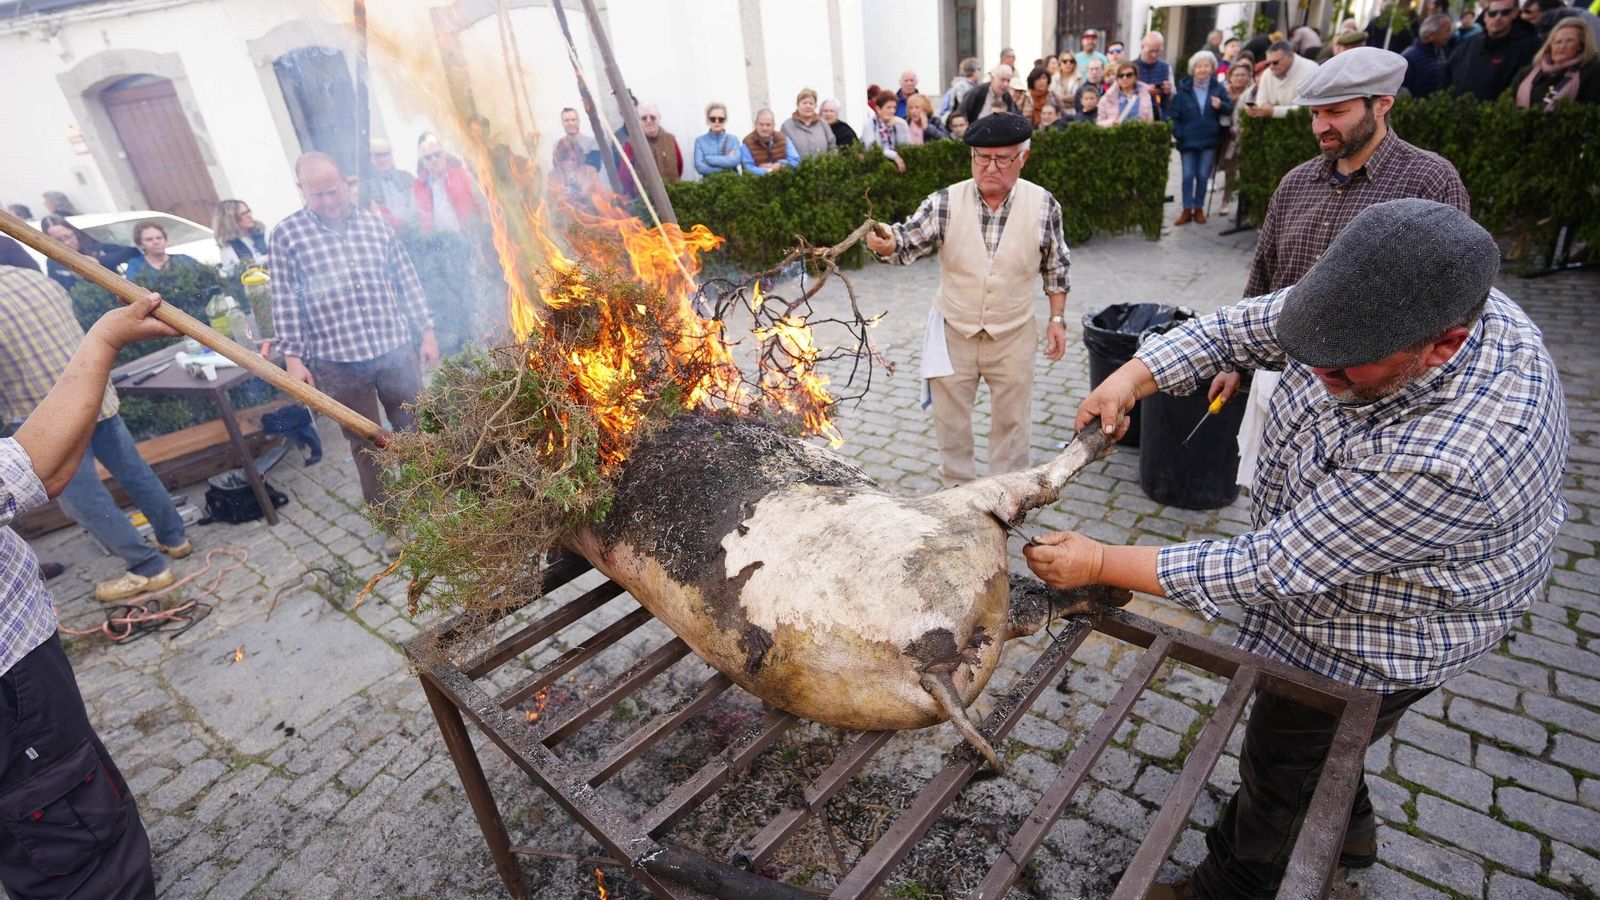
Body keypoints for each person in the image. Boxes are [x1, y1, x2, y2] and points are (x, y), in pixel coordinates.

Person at [1032, 199, 1565, 900]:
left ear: (1444, 344)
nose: (1321, 378)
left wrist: (1100, 563)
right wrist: (1133, 376)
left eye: (1347, 373)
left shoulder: (1462, 454)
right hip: (1338, 572)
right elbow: (1237, 328)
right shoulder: (1379, 295)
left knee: (1282, 763)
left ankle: (1232, 883)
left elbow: (1274, 564)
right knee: (1328, 754)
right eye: (1312, 359)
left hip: (1377, 634)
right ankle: (1352, 826)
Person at [1211, 47, 1469, 489]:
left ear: (1382, 104)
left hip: (1375, 402)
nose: (1320, 126)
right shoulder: (1295, 183)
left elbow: (1456, 301)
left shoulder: (1430, 181)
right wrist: (1235, 360)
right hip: (1286, 383)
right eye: (1315, 114)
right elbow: (1263, 277)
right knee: (1272, 507)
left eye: (1336, 112)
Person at [0, 289, 177, 900]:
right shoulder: (36, 283)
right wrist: (103, 340)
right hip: (7, 689)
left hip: (22, 664)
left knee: (74, 782)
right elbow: (38, 471)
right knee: (69, 839)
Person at [864, 113, 1071, 486]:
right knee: (951, 421)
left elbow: (1056, 267)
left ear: (1023, 157)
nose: (990, 167)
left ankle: (1006, 499)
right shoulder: (944, 202)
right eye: (981, 157)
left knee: (1012, 423)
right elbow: (908, 238)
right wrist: (888, 242)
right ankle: (956, 498)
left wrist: (1056, 321)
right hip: (953, 330)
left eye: (1002, 159)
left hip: (1014, 332)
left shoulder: (1043, 205)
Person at [0, 265, 192, 601]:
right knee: (135, 473)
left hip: (45, 419)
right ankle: (175, 539)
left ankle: (148, 567)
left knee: (84, 501)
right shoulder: (31, 278)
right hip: (95, 394)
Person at [270, 152, 437, 531]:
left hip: (395, 350)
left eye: (333, 192)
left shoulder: (375, 226)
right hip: (337, 361)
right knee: (367, 445)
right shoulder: (287, 236)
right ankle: (392, 524)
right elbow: (284, 300)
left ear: (346, 183)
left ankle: (430, 509)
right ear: (302, 191)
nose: (328, 202)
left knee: (413, 430)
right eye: (318, 196)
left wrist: (426, 332)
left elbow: (406, 280)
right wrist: (293, 359)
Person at [1168, 51, 1233, 225]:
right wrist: (1179, 133)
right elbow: (1174, 115)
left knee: (1203, 176)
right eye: (1199, 66)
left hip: (1210, 139)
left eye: (1206, 66)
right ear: (1193, 69)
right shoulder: (1183, 91)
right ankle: (1186, 209)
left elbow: (1229, 108)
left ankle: (1199, 208)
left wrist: (1221, 105)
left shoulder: (1218, 89)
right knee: (1188, 175)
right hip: (1187, 140)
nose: (1203, 69)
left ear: (1212, 68)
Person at [1449, 0, 1542, 97]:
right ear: (1485, 16)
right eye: (1492, 13)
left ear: (1515, 13)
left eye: (1505, 12)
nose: (1498, 18)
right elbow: (1448, 73)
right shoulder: (1470, 43)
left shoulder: (1528, 46)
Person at [1512, 17, 1600, 106]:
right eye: (1558, 42)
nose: (1562, 46)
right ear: (1550, 45)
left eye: (1569, 41)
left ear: (1581, 45)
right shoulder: (1526, 73)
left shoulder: (1592, 71)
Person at [412, 132, 487, 235]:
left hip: (473, 237)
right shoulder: (417, 188)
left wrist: (486, 232)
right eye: (428, 157)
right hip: (443, 245)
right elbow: (416, 221)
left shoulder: (464, 175)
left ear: (444, 154)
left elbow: (483, 204)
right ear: (423, 161)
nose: (434, 160)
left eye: (437, 155)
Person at [37, 216, 137, 292]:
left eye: (67, 236)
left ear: (74, 232)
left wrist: (98, 261)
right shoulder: (54, 262)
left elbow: (131, 251)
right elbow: (60, 289)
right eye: (59, 240)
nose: (66, 243)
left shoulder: (95, 245)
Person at [1216, 58, 1256, 215]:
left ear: (1248, 77)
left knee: (1246, 172)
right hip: (1228, 137)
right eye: (1236, 75)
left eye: (1243, 75)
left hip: (1247, 137)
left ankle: (1244, 207)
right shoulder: (1223, 92)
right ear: (1230, 76)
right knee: (1230, 171)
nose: (1240, 78)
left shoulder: (1252, 92)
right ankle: (1226, 201)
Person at [1245, 40, 1321, 117]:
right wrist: (1256, 109)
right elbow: (1261, 103)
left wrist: (1273, 111)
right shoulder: (1267, 74)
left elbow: (1309, 108)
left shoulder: (1310, 69)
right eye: (1268, 63)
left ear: (1290, 56)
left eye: (1275, 62)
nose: (1271, 67)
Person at [368, 138, 419, 230]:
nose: (382, 160)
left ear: (391, 156)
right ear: (370, 158)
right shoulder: (367, 184)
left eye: (386, 155)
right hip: (385, 230)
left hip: (413, 229)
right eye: (378, 156)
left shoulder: (406, 177)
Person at [122, 221, 199, 280]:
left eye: (159, 238)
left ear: (165, 240)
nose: (156, 242)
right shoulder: (136, 266)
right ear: (140, 244)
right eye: (149, 239)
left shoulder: (184, 259)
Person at [1403, 13, 1456, 96]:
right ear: (1431, 34)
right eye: (1447, 30)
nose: (1450, 35)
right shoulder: (1409, 58)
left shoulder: (1440, 52)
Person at [740, 108, 801, 175]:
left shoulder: (783, 139)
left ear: (773, 125)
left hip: (783, 181)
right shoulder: (748, 142)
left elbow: (796, 161)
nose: (764, 128)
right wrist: (769, 171)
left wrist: (780, 165)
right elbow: (748, 168)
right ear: (755, 125)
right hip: (758, 183)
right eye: (761, 124)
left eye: (768, 125)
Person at [862, 91, 912, 173]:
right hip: (875, 168)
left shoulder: (897, 122)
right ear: (878, 109)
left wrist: (903, 126)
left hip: (896, 167)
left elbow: (905, 147)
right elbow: (871, 148)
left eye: (894, 107)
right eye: (888, 107)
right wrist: (894, 155)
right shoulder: (870, 124)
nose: (892, 111)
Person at [213, 199, 268, 274]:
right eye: (243, 214)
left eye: (248, 211)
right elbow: (234, 271)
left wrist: (256, 261)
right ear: (231, 219)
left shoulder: (262, 232)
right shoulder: (227, 245)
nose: (249, 216)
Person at [782, 88, 839, 158]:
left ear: (815, 106)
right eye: (804, 103)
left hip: (823, 167)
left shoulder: (823, 123)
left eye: (811, 103)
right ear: (798, 105)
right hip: (798, 168)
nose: (808, 106)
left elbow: (832, 146)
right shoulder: (787, 126)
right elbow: (782, 150)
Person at [694, 102, 743, 175]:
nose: (717, 121)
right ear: (708, 120)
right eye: (713, 119)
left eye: (721, 119)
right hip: (710, 184)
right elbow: (699, 166)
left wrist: (708, 159)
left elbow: (736, 160)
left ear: (725, 120)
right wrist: (727, 160)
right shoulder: (700, 141)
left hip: (732, 182)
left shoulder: (733, 139)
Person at [1134, 32, 1175, 117]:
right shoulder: (1132, 67)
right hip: (1137, 114)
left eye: (1157, 51)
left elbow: (1173, 94)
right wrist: (1143, 91)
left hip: (1159, 114)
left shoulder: (1166, 66)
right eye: (1151, 51)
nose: (1154, 55)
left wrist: (1168, 92)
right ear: (1142, 47)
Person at [553, 107, 601, 173]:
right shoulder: (557, 146)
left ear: (578, 121)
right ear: (562, 123)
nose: (570, 123)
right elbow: (558, 171)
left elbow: (595, 168)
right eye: (566, 120)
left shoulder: (592, 143)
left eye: (573, 120)